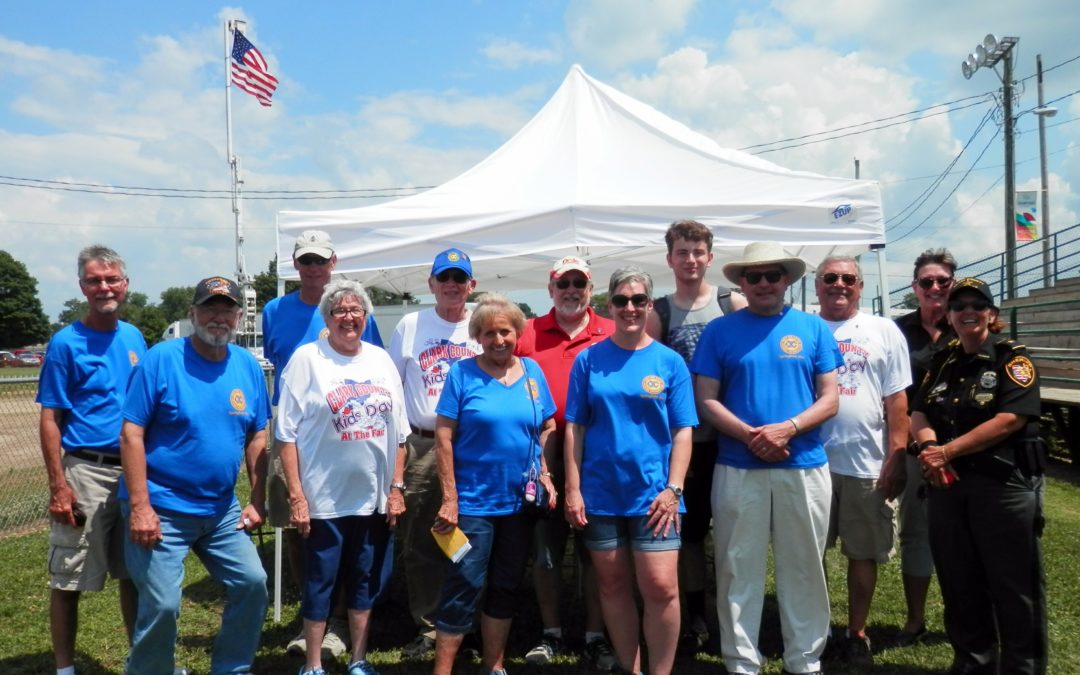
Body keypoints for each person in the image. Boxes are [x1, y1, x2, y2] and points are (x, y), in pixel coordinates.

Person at [690, 241, 842, 675]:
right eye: (753, 276)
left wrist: (787, 428)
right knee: (738, 568)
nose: (762, 283)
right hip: (739, 467)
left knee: (806, 567)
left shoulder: (813, 329)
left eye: (772, 275)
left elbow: (830, 398)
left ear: (786, 281)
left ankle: (805, 660)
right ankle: (741, 661)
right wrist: (751, 435)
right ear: (741, 282)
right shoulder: (719, 332)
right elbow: (707, 400)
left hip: (804, 464)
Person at [120, 276, 270, 675]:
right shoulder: (162, 359)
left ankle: (233, 668)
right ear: (192, 314)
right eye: (209, 308)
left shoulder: (247, 366)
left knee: (253, 584)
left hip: (220, 509)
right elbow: (131, 432)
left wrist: (258, 498)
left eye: (227, 310)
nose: (218, 318)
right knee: (164, 604)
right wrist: (140, 507)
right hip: (162, 506)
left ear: (239, 316)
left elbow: (257, 433)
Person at [564, 266, 697, 675]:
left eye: (639, 300)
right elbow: (575, 426)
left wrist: (674, 489)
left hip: (655, 496)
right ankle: (631, 668)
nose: (630, 308)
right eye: (621, 300)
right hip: (601, 494)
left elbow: (683, 432)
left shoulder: (669, 362)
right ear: (608, 305)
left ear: (650, 305)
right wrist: (573, 488)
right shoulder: (589, 360)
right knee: (612, 585)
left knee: (661, 588)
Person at [911, 277, 1046, 675]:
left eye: (976, 304)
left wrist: (946, 451)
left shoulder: (1012, 360)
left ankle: (1023, 669)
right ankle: (973, 664)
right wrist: (929, 450)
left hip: (1001, 487)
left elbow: (1009, 420)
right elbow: (919, 411)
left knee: (1014, 588)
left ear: (992, 313)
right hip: (948, 488)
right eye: (958, 305)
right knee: (959, 582)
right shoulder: (943, 361)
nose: (967, 311)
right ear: (949, 316)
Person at [277, 279, 408, 675]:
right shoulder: (307, 359)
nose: (348, 317)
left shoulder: (381, 360)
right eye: (339, 311)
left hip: (373, 497)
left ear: (366, 317)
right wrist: (297, 496)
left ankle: (358, 659)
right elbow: (285, 435)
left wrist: (396, 488)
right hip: (324, 500)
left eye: (356, 310)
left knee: (367, 580)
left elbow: (399, 433)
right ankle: (314, 663)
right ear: (327, 318)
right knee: (320, 581)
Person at [263, 229, 382, 659]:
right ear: (295, 265)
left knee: (351, 529)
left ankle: (341, 625)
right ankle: (313, 615)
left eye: (321, 260)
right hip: (293, 435)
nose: (313, 268)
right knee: (301, 527)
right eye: (306, 260)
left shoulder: (354, 309)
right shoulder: (275, 310)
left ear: (334, 262)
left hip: (348, 435)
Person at [432, 293, 559, 675]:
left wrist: (546, 473)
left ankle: (495, 665)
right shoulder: (462, 374)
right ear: (478, 337)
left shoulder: (533, 373)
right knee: (464, 582)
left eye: (505, 331)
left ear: (518, 332)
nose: (498, 340)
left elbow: (548, 425)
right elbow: (443, 436)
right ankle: (443, 670)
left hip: (519, 505)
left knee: (506, 584)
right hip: (472, 504)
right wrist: (450, 498)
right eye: (489, 333)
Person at [37, 246, 149, 675]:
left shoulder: (135, 337)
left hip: (132, 474)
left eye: (111, 279)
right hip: (85, 471)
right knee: (69, 577)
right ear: (82, 287)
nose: (104, 287)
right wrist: (58, 485)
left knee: (134, 573)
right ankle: (65, 668)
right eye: (94, 280)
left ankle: (141, 660)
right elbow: (50, 418)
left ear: (125, 284)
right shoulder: (66, 343)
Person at [645, 219, 746, 653]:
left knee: (731, 533)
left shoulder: (732, 303)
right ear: (670, 259)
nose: (690, 260)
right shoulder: (659, 312)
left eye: (697, 252)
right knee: (686, 536)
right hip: (682, 445)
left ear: (710, 256)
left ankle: (734, 614)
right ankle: (694, 614)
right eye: (682, 252)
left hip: (730, 441)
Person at [514, 255, 616, 670]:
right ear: (550, 289)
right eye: (563, 283)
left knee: (598, 552)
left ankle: (596, 635)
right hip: (542, 458)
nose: (571, 290)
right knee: (545, 552)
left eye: (580, 283)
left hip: (600, 458)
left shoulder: (611, 330)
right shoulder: (527, 332)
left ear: (591, 290)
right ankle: (551, 633)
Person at [814, 256, 911, 666]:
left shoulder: (883, 330)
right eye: (830, 278)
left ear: (861, 284)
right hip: (810, 463)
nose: (839, 284)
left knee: (863, 553)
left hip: (866, 463)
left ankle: (856, 632)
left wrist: (897, 455)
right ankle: (811, 630)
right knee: (807, 553)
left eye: (848, 278)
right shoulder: (804, 328)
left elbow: (897, 400)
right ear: (817, 285)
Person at [388, 248, 482, 659]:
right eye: (444, 277)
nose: (451, 285)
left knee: (475, 536)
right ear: (431, 284)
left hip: (475, 445)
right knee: (427, 536)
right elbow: (391, 389)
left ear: (471, 286)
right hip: (424, 444)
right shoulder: (411, 324)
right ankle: (429, 625)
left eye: (459, 278)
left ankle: (468, 622)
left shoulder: (483, 323)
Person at [892, 247, 957, 646]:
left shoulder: (971, 323)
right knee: (916, 534)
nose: (935, 288)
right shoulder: (898, 331)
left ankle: (965, 618)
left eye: (942, 281)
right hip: (918, 453)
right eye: (926, 282)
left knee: (965, 537)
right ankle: (915, 621)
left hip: (965, 452)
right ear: (915, 288)